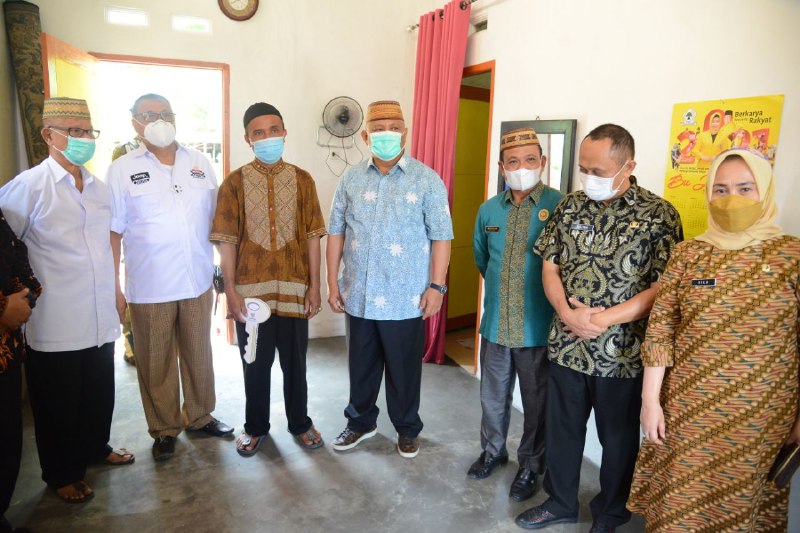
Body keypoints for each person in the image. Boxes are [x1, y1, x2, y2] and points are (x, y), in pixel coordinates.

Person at [515, 124, 683, 532]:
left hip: (623, 356)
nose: (589, 178)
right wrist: (567, 313)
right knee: (563, 432)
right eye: (583, 168)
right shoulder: (570, 207)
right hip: (568, 348)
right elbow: (549, 265)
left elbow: (664, 286)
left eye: (598, 170)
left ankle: (610, 512)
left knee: (619, 441)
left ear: (629, 166)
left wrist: (603, 319)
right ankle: (559, 503)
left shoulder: (659, 215)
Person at [627, 148, 800, 531]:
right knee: (679, 503)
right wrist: (649, 402)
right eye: (720, 189)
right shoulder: (689, 254)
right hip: (686, 411)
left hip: (761, 419)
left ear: (765, 192)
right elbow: (661, 331)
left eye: (744, 187)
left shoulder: (792, 255)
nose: (731, 198)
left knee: (740, 509)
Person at [0, 97, 133, 504]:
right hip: (55, 315)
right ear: (48, 135)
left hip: (98, 310)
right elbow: (8, 248)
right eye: (72, 131)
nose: (82, 139)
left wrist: (115, 290)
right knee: (58, 400)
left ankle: (95, 447)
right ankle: (61, 472)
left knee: (98, 389)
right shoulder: (27, 188)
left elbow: (107, 245)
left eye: (87, 131)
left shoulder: (98, 187)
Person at [107, 93, 233, 462]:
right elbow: (113, 232)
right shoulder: (122, 168)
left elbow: (219, 222)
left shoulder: (199, 162)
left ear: (175, 119)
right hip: (150, 285)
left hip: (196, 280)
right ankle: (163, 428)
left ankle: (200, 415)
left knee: (199, 353)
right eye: (149, 114)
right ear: (135, 123)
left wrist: (226, 275)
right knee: (156, 359)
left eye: (165, 113)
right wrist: (113, 286)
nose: (158, 120)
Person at [326, 100, 453, 459]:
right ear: (366, 135)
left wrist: (436, 286)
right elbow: (336, 232)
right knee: (361, 367)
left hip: (405, 298)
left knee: (404, 371)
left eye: (395, 127)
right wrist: (332, 283)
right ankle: (360, 423)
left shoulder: (427, 180)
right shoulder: (350, 179)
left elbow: (441, 235)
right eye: (379, 128)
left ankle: (407, 429)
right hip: (359, 295)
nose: (387, 134)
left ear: (405, 133)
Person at [211, 103, 327, 456]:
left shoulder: (303, 179)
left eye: (274, 129)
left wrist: (315, 286)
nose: (267, 138)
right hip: (251, 296)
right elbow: (226, 241)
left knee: (296, 364)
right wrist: (231, 290)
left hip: (294, 292)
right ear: (248, 139)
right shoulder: (234, 183)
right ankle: (256, 427)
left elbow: (312, 236)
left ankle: (300, 424)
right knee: (255, 365)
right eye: (258, 133)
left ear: (284, 132)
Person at [469, 128, 563, 502]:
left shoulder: (560, 206)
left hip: (538, 328)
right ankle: (493, 452)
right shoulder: (489, 209)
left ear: (542, 162)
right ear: (501, 167)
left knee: (537, 403)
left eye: (529, 160)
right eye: (513, 162)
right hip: (495, 324)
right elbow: (482, 258)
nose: (521, 168)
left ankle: (531, 466)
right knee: (492, 397)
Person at [0, 208, 40, 531]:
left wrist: (26, 293)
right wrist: (3, 307)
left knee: (7, 435)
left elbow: (12, 249)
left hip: (6, 351)